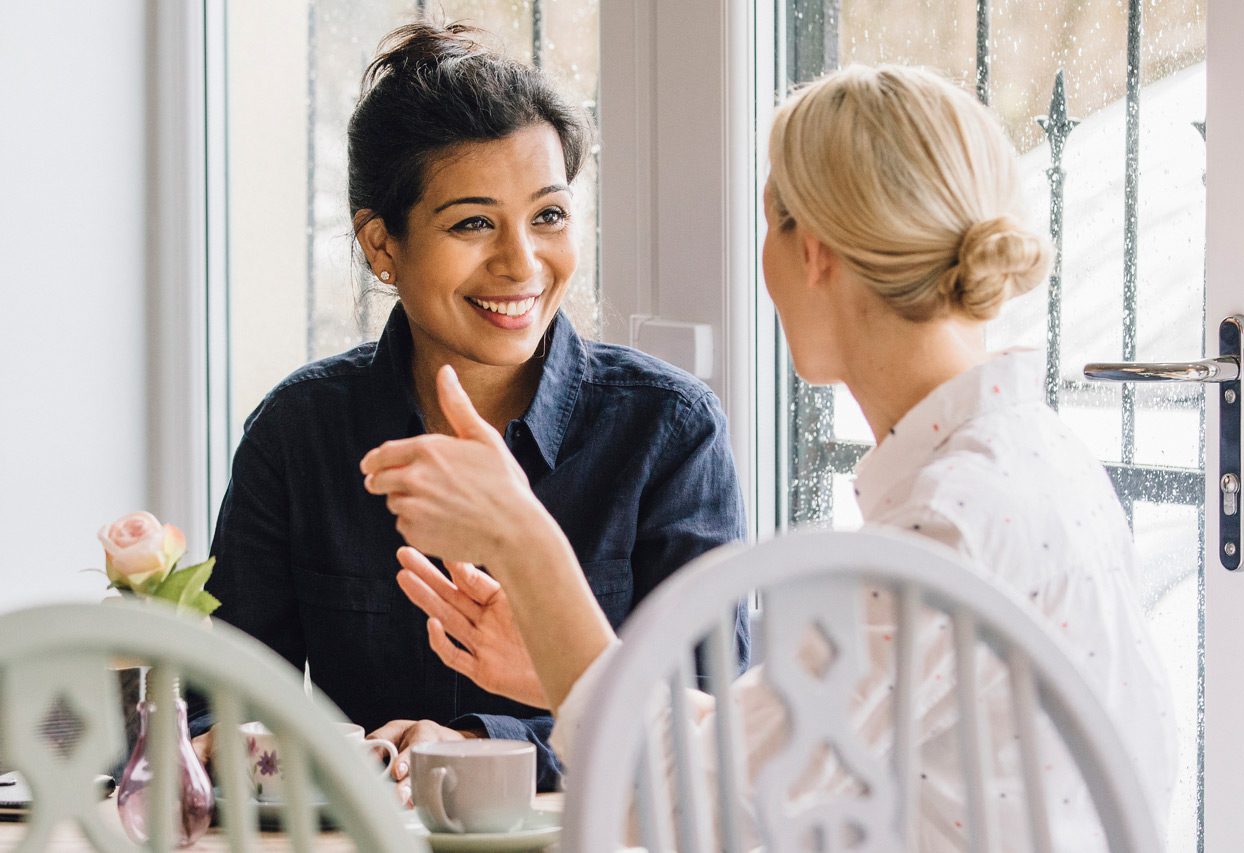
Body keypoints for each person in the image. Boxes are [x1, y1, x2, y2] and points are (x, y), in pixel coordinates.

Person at [376, 64, 1177, 846]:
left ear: (815, 251)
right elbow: (771, 749)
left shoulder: (947, 525)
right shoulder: (1021, 466)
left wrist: (523, 535)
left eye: (769, 222)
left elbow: (697, 815)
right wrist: (557, 661)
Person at [194, 21, 749, 798]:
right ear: (381, 245)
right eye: (473, 223)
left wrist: (473, 747)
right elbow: (216, 708)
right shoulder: (298, 433)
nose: (522, 262)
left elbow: (715, 728)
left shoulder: (670, 432)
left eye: (548, 216)